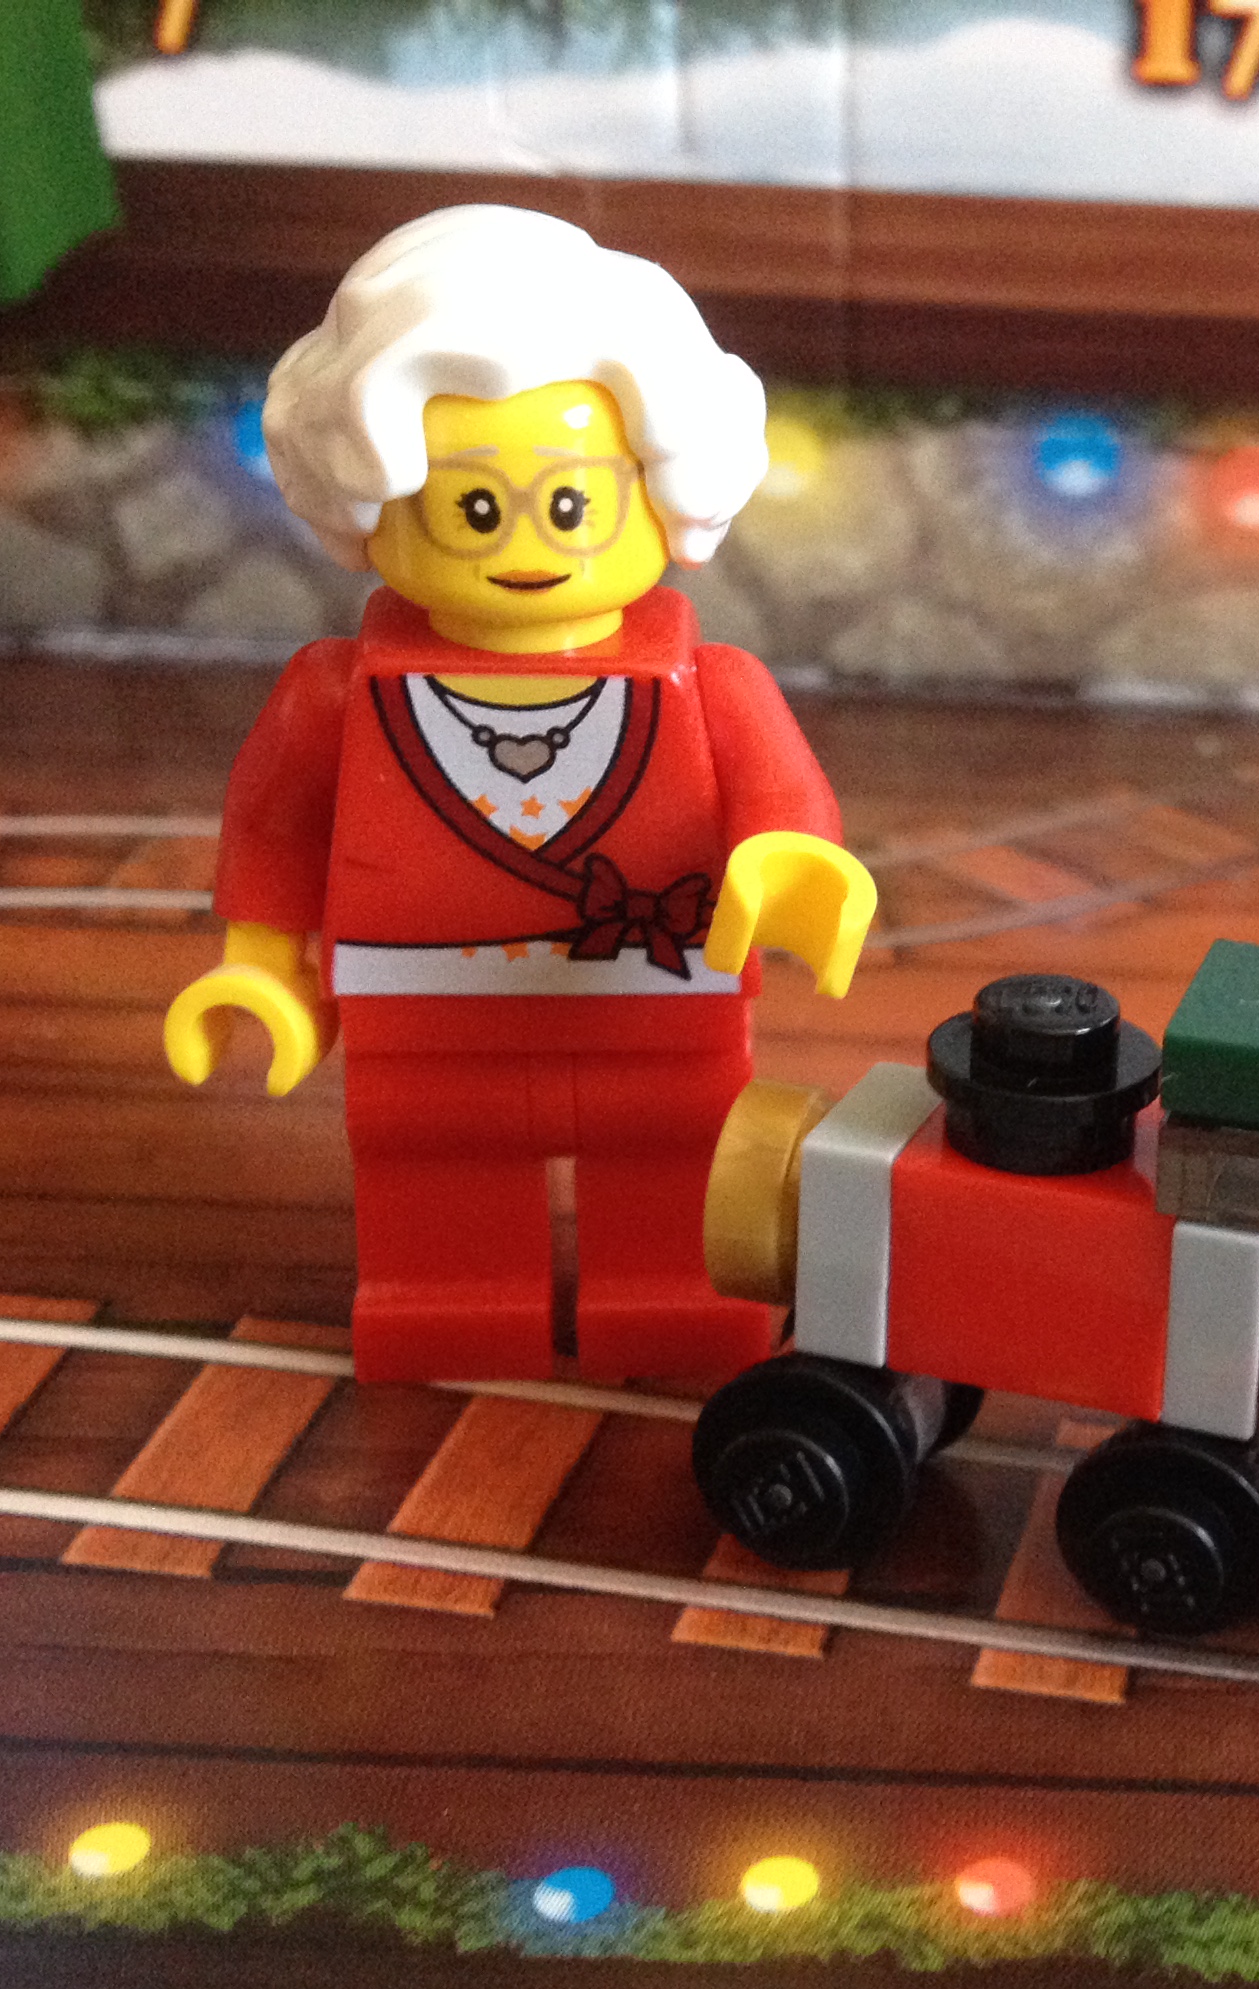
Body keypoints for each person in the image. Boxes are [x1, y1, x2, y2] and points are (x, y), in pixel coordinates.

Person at [163, 205, 872, 1385]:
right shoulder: (339, 693)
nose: (525, 546)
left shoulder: (712, 686)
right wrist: (261, 965)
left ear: (661, 493)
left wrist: (792, 866)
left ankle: (669, 1301)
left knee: (674, 1161)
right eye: (474, 508)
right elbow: (276, 826)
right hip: (426, 1027)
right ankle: (448, 1301)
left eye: (571, 503)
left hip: (656, 1010)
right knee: (433, 1170)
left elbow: (784, 803)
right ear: (375, 503)